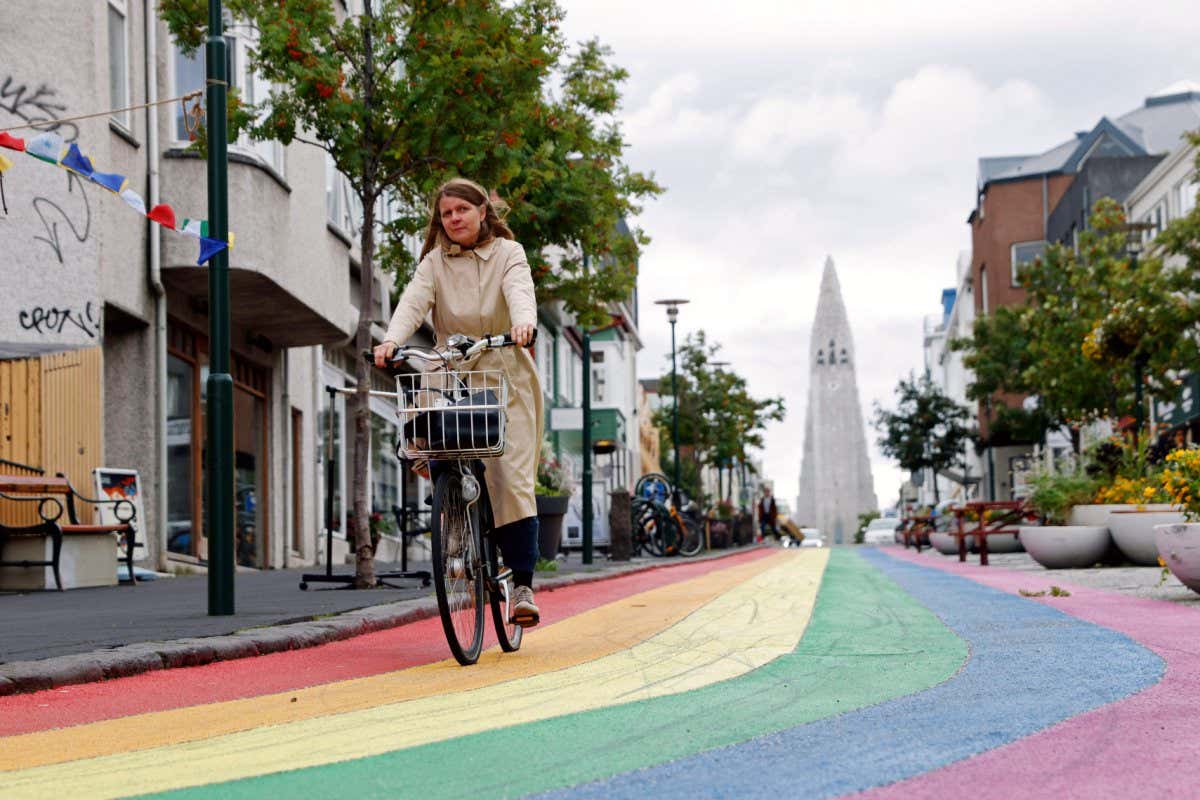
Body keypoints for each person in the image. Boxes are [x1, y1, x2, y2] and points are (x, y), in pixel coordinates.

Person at [374, 178, 543, 627]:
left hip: (502, 372)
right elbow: (413, 302)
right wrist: (391, 340)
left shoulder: (510, 253)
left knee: (509, 477)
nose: (453, 219)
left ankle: (522, 586)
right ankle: (453, 518)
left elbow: (520, 292)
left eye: (462, 210)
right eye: (446, 213)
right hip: (449, 370)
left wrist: (523, 324)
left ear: (482, 212)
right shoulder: (434, 262)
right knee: (429, 442)